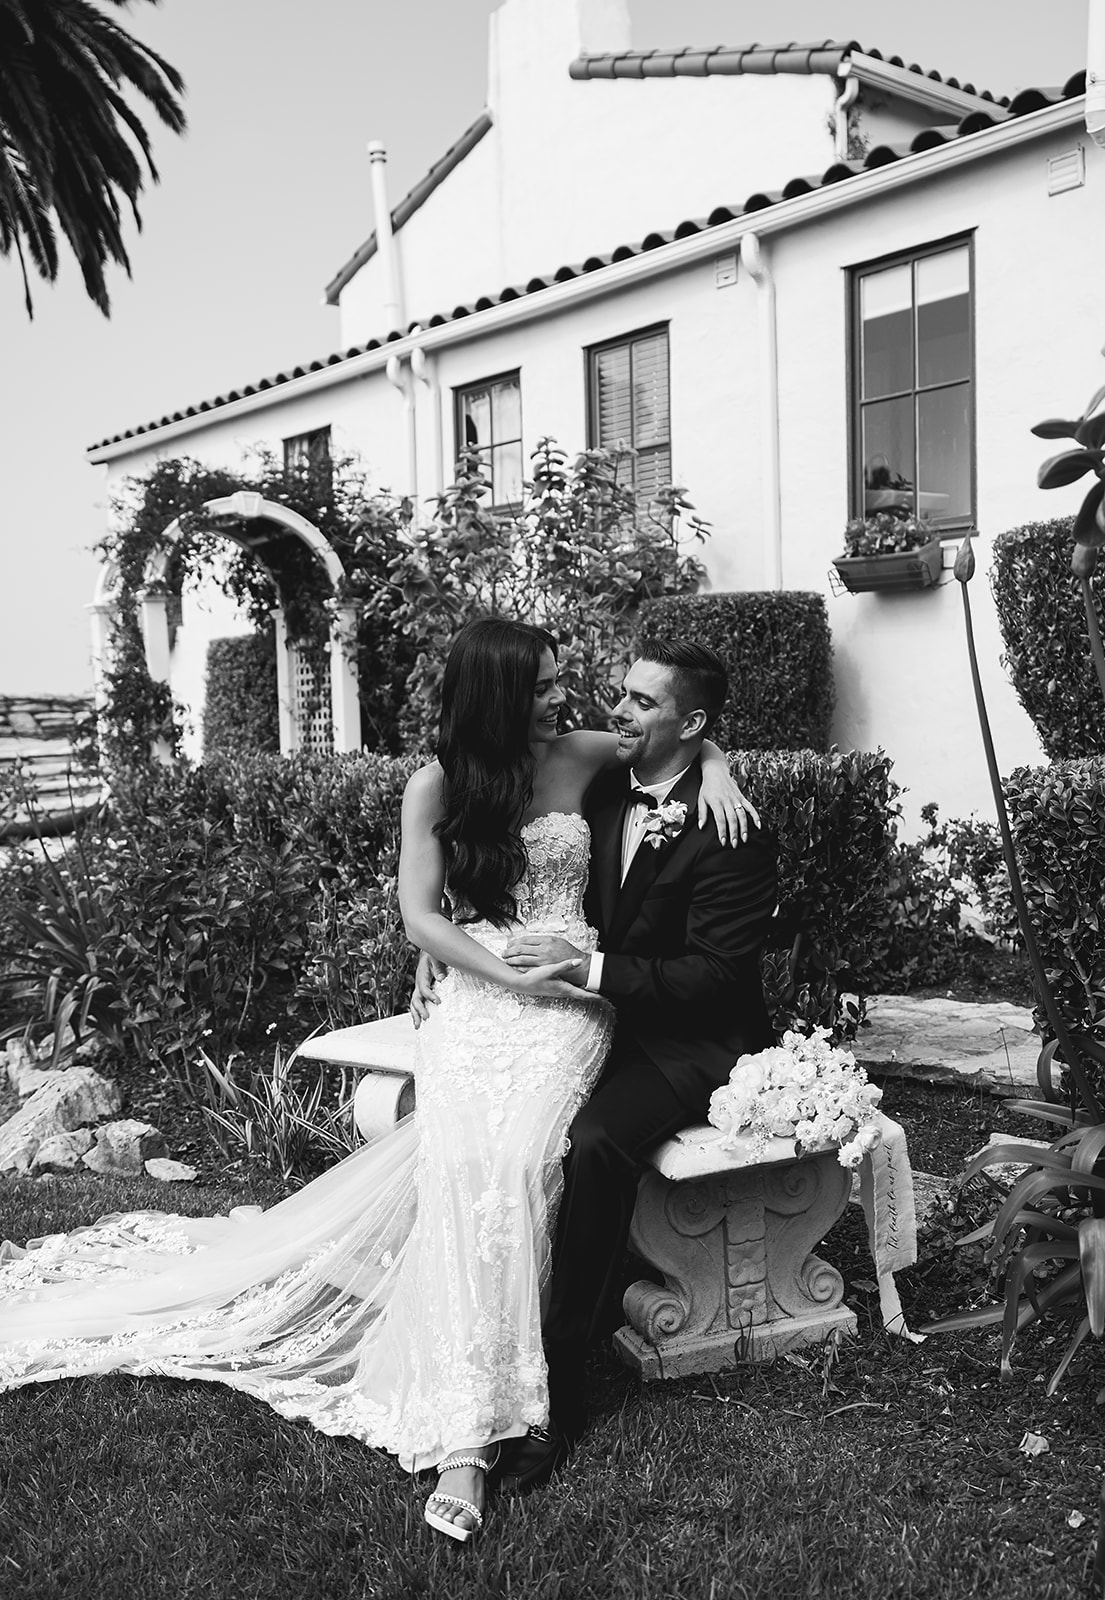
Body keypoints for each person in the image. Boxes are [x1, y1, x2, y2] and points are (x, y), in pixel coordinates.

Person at [0, 617, 754, 1547]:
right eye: (547, 683)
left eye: (564, 680)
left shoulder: (581, 755)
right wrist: (493, 974)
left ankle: (527, 1389)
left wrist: (713, 766)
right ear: (499, 694)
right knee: (461, 1162)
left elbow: (674, 736)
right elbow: (418, 915)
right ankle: (463, 1440)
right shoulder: (435, 784)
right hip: (482, 999)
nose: (570, 696)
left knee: (519, 1165)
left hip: (566, 1001)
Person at [413, 636, 778, 1493]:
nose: (607, 707)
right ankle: (478, 1356)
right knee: (483, 1152)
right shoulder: (606, 777)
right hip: (549, 1002)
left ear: (685, 724)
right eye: (611, 691)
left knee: (585, 1147)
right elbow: (444, 896)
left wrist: (713, 764)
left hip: (683, 1033)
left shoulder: (726, 825)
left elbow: (717, 979)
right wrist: (449, 955)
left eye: (638, 701)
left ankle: (558, 1389)